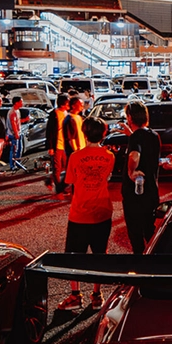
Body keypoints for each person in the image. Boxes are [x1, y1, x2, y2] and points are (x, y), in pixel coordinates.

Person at [63, 116, 117, 308]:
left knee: (73, 256)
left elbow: (70, 181)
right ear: (103, 134)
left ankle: (75, 295)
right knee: (99, 254)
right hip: (102, 209)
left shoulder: (75, 157)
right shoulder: (110, 156)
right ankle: (96, 294)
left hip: (80, 211)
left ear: (84, 133)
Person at [121, 101, 162, 254]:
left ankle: (139, 263)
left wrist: (131, 172)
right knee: (149, 230)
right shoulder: (153, 135)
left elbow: (134, 155)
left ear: (130, 117)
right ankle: (154, 261)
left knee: (135, 233)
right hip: (152, 190)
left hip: (135, 194)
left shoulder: (136, 138)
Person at [44, 93, 72, 192]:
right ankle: (59, 188)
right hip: (57, 145)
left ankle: (49, 180)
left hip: (64, 145)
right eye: (68, 102)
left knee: (65, 166)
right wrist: (50, 146)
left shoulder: (66, 113)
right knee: (57, 167)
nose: (69, 104)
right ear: (64, 103)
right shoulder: (54, 114)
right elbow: (49, 131)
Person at [6, 97, 28, 171]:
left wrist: (25, 120)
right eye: (21, 102)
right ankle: (13, 165)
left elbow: (17, 121)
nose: (22, 103)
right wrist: (16, 133)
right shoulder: (12, 112)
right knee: (14, 150)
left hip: (18, 132)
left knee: (19, 149)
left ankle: (18, 163)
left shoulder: (17, 111)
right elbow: (13, 123)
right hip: (13, 134)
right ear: (16, 103)